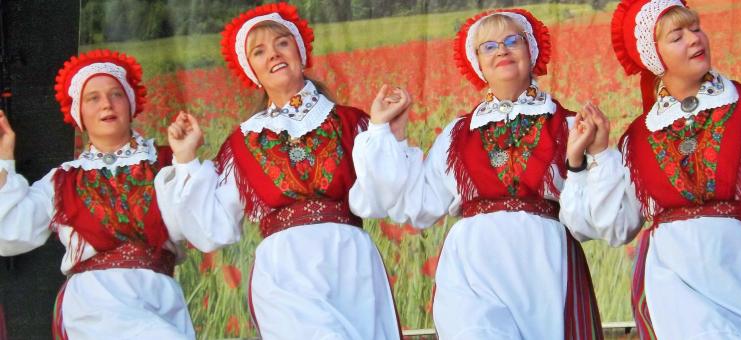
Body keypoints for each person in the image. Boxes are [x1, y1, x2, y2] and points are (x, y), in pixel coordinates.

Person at [560, 0, 741, 338]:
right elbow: (613, 225)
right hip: (676, 282)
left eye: (696, 28)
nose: (695, 39)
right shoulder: (638, 139)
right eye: (677, 36)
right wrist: (588, 160)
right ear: (654, 57)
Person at [155, 2, 405, 339]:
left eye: (282, 43)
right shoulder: (244, 142)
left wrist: (380, 130)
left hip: (349, 262)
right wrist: (185, 159)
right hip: (284, 269)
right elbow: (214, 227)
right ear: (252, 71)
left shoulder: (349, 121)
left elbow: (378, 198)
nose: (273, 54)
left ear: (300, 52)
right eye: (259, 51)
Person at [351, 9, 604, 339]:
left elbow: (591, 214)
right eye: (488, 46)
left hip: (543, 264)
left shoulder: (569, 125)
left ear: (532, 51)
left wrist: (585, 159)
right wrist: (390, 133)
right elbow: (419, 202)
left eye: (513, 40)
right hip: (473, 265)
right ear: (478, 65)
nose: (501, 50)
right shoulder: (458, 133)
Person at [0, 49, 194, 339]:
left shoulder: (166, 162)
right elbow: (8, 234)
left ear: (130, 103)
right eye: (93, 97)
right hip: (96, 303)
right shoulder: (63, 180)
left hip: (161, 298)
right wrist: (4, 158)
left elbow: (200, 224)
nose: (106, 104)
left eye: (116, 94)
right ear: (79, 113)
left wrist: (187, 159)